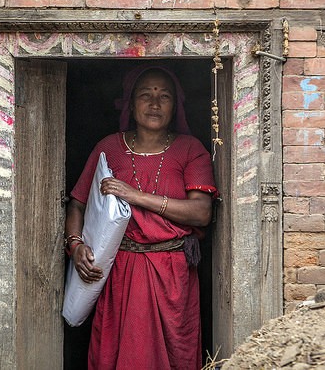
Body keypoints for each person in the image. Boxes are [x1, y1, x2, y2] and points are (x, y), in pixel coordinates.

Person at [64, 64, 218, 370]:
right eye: (145, 94)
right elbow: (78, 204)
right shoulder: (108, 148)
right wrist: (75, 245)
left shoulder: (190, 150)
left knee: (174, 355)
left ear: (175, 106)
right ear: (130, 103)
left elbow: (201, 213)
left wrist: (135, 196)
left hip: (172, 274)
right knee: (121, 354)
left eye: (165, 96)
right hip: (119, 268)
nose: (155, 103)